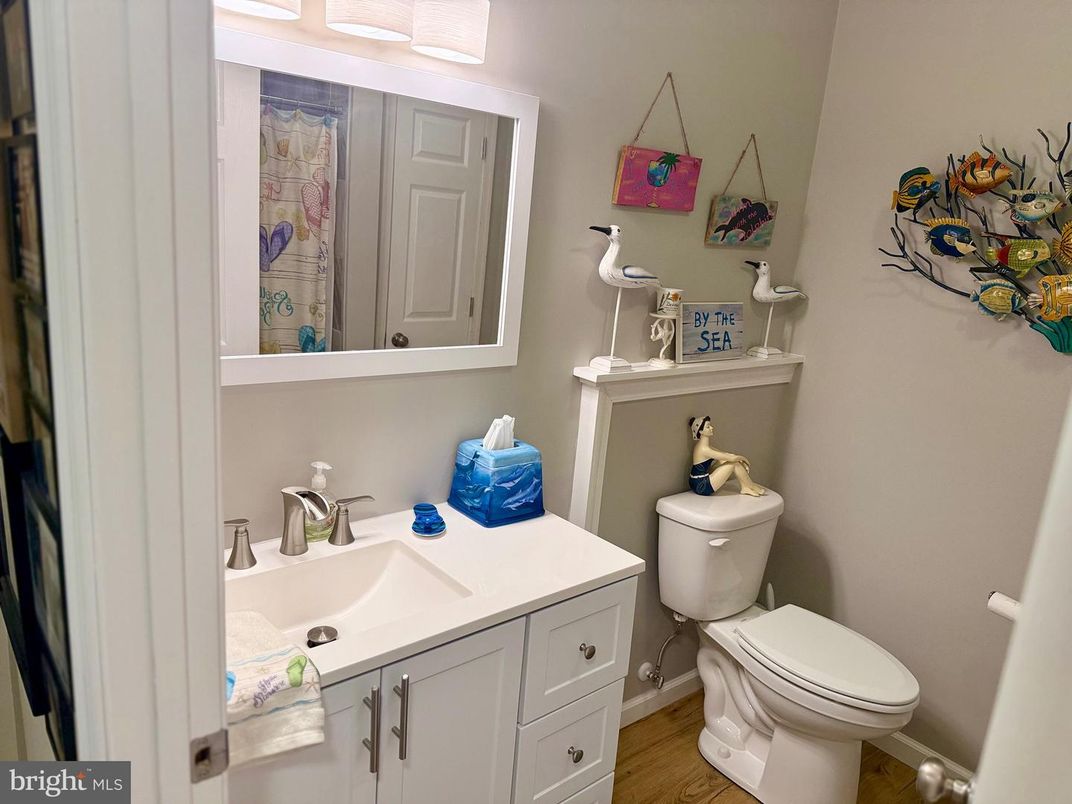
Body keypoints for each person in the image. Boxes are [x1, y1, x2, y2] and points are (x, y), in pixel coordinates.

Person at [688, 416, 766, 497]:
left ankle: (745, 486)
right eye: (708, 426)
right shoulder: (704, 449)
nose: (711, 428)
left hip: (695, 480)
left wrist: (737, 459)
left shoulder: (703, 446)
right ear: (700, 431)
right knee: (733, 463)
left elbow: (725, 455)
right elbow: (732, 459)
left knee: (724, 460)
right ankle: (750, 485)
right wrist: (744, 460)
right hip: (701, 485)